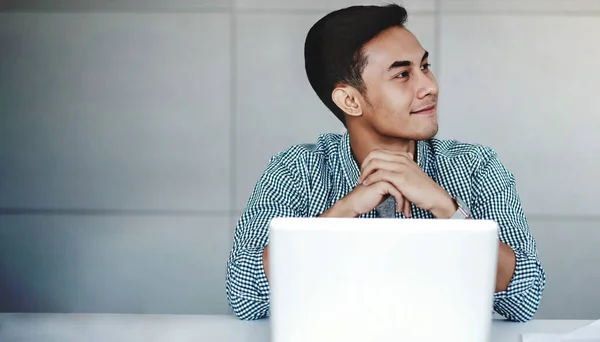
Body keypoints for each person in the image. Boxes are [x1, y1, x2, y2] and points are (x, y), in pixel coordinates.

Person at [225, 3, 545, 322]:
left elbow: (524, 299)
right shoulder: (296, 170)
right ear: (350, 100)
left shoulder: (476, 166)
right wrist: (340, 214)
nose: (430, 86)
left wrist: (446, 207)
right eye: (403, 74)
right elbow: (244, 297)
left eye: (425, 66)